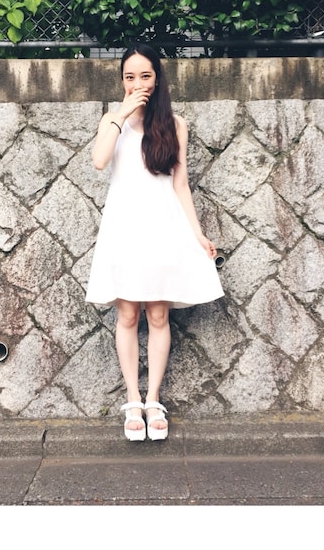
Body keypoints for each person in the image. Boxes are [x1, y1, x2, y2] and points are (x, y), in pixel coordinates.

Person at [85, 44, 224, 441]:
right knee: (128, 315)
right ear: (122, 81)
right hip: (124, 230)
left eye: (145, 76)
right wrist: (121, 114)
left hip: (163, 228)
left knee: (159, 316)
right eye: (130, 77)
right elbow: (99, 161)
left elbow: (180, 185)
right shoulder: (112, 120)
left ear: (158, 79)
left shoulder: (175, 125)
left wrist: (197, 233)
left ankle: (153, 399)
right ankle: (132, 399)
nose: (138, 84)